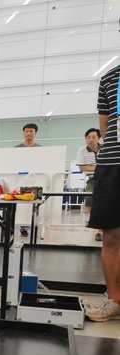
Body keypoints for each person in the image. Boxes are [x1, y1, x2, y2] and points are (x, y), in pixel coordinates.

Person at [84, 64, 120, 321]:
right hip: (112, 164)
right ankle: (115, 301)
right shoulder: (109, 77)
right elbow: (105, 128)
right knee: (111, 237)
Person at [76, 128, 102, 242]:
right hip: (92, 179)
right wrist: (99, 168)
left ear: (99, 138)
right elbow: (82, 167)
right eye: (88, 137)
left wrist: (93, 168)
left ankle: (100, 230)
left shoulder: (105, 149)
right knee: (89, 198)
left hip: (107, 178)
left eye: (93, 137)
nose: (90, 139)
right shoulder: (82, 150)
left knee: (107, 201)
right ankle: (96, 221)